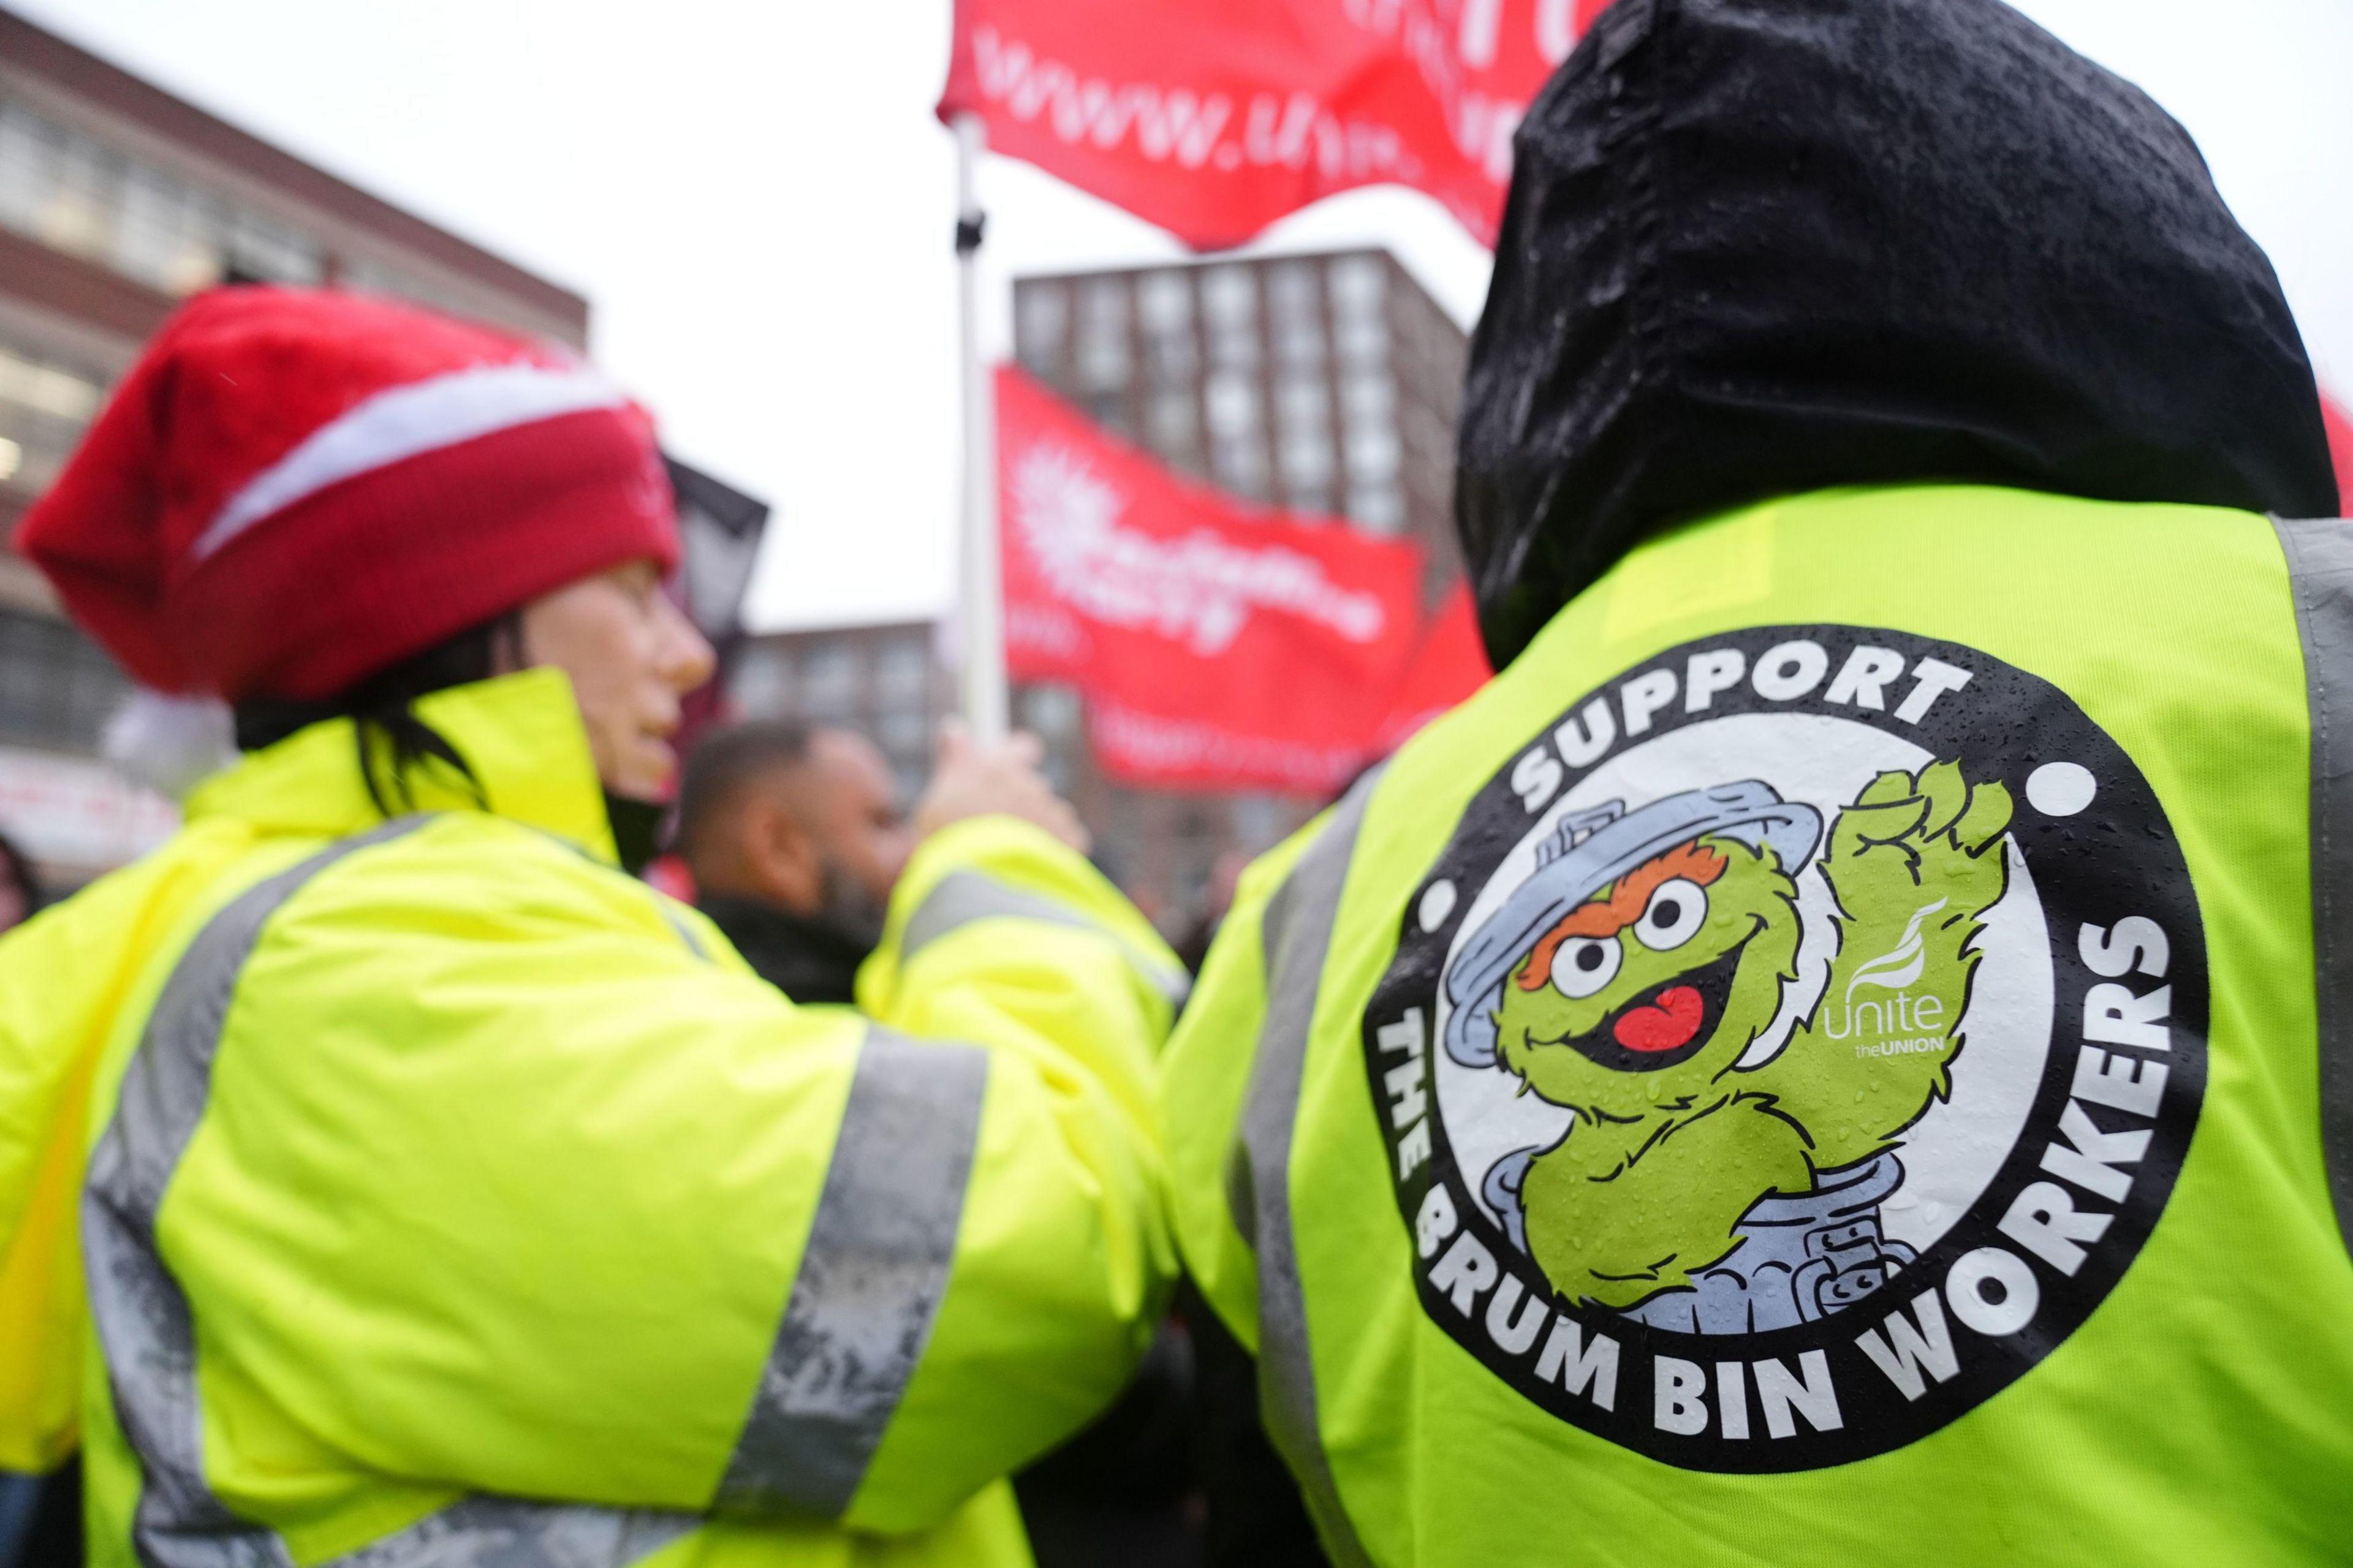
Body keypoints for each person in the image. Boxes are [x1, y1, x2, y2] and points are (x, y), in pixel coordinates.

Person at [1160, 0, 2351, 1562]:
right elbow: (1654, 1203)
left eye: (1668, 908)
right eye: (1579, 955)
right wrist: (1889, 958)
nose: (1639, 958)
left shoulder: (1309, 905)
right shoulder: (2301, 636)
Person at [0, 285, 1185, 1566]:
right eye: (630, 591)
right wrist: (988, 870)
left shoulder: (380, 927)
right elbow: (1034, 1247)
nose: (685, 656)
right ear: (442, 609)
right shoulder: (376, 961)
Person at [673, 719, 919, 1004]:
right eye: (881, 823)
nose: (913, 849)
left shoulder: (695, 996)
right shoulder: (801, 1016)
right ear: (780, 848)